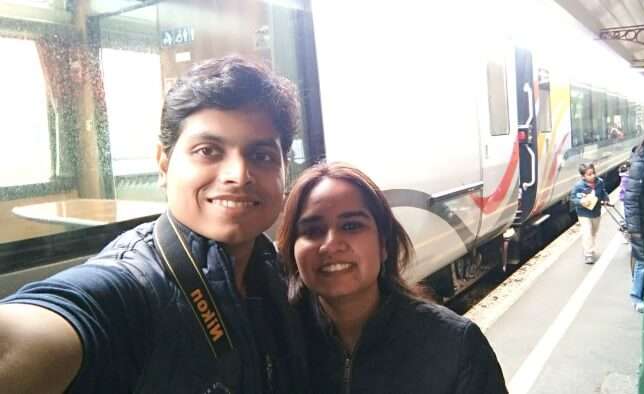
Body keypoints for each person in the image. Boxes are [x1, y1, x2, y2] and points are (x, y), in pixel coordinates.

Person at [0, 55, 308, 393]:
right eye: (208, 151)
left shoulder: (279, 274)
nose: (238, 175)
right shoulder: (129, 288)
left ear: (284, 171)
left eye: (261, 156)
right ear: (164, 163)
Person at [276, 163, 508, 394]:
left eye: (351, 226)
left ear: (384, 244)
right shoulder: (275, 340)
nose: (330, 245)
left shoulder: (456, 346)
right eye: (312, 231)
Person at [624, 129, 644, 313]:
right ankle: (636, 297)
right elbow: (631, 198)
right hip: (640, 221)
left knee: (643, 258)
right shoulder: (641, 163)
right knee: (643, 260)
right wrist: (634, 228)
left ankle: (640, 295)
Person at [570, 162, 611, 264]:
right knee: (586, 231)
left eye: (593, 173)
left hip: (596, 212)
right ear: (583, 176)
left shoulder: (599, 182)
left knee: (593, 232)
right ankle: (588, 253)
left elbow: (603, 192)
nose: (592, 176)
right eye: (589, 174)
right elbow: (573, 198)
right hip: (583, 213)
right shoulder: (578, 186)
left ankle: (588, 246)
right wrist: (580, 202)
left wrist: (606, 199)